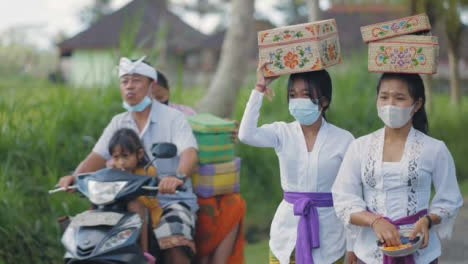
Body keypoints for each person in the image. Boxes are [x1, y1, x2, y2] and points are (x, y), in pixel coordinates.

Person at [57, 56, 199, 264]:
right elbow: (97, 156)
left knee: (174, 239)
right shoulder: (118, 122)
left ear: (152, 84)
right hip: (121, 200)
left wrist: (177, 177)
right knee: (87, 238)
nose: (130, 87)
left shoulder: (173, 118)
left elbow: (189, 152)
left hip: (168, 199)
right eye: (125, 81)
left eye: (136, 80)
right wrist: (74, 177)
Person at [332, 73, 463, 264]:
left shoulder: (435, 149)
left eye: (399, 98)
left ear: (416, 104)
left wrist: (427, 221)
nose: (390, 104)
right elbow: (343, 198)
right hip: (370, 252)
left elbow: (449, 199)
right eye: (384, 97)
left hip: (420, 253)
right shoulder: (360, 147)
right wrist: (374, 221)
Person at [238, 62, 355, 264]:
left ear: (324, 101)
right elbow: (246, 134)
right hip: (286, 231)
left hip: (329, 234)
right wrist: (259, 88)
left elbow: (352, 195)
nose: (298, 100)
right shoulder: (282, 132)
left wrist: (353, 245)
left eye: (306, 95)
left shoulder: (344, 140)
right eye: (293, 95)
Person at [151, 70, 246, 264]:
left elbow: (205, 135)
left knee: (233, 203)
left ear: (167, 93)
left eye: (160, 97)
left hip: (189, 185)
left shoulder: (184, 114)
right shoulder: (130, 120)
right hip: (152, 190)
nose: (156, 104)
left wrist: (225, 133)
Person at [107, 128, 160, 261]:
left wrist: (134, 189)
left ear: (139, 154)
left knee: (134, 204)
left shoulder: (147, 172)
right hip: (119, 210)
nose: (121, 162)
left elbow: (151, 201)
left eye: (125, 156)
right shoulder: (112, 171)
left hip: (145, 211)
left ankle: (144, 252)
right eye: (116, 157)